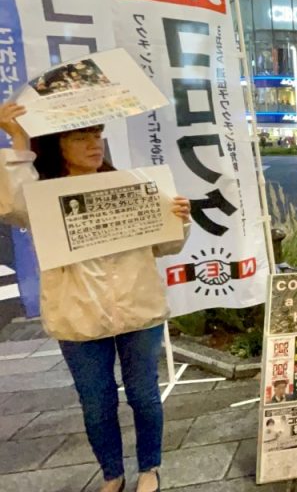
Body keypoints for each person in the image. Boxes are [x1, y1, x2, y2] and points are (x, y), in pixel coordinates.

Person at [0, 101, 192, 492]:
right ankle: (112, 474)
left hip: (139, 309)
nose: (93, 144)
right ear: (59, 146)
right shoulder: (43, 196)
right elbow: (12, 204)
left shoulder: (130, 184)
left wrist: (179, 217)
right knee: (96, 402)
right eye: (81, 137)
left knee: (143, 394)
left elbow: (166, 246)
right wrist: (17, 138)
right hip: (79, 317)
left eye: (97, 136)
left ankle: (149, 467)